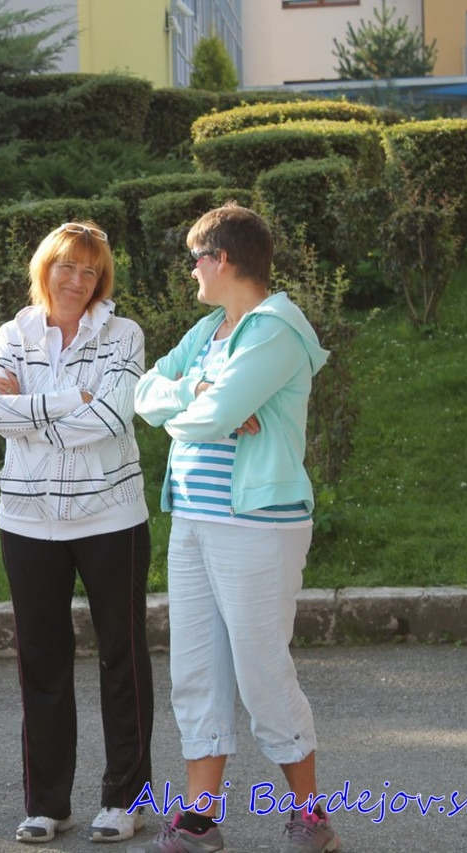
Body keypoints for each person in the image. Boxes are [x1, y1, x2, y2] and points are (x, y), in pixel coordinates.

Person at [133, 203, 336, 853]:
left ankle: (311, 816)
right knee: (196, 669)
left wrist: (200, 405)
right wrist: (199, 394)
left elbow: (209, 417)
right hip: (193, 517)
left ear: (221, 259)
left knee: (261, 671)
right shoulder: (208, 331)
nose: (191, 272)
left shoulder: (276, 328)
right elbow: (144, 392)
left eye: (195, 260)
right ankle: (200, 818)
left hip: (256, 524)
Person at [0, 222, 153, 845]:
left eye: (90, 270)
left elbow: (111, 417)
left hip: (111, 518)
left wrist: (29, 409)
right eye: (66, 266)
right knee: (41, 662)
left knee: (122, 658)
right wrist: (66, 400)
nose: (77, 280)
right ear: (45, 269)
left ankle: (126, 801)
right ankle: (48, 804)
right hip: (27, 521)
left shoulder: (124, 334)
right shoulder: (15, 332)